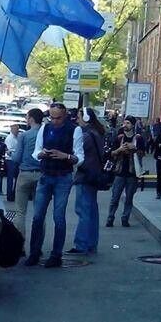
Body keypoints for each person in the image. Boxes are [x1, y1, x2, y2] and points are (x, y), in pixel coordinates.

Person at [25, 102, 84, 268]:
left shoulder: (74, 130)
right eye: (52, 117)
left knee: (58, 217)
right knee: (37, 216)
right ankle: (34, 252)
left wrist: (66, 156)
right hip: (46, 174)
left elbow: (79, 157)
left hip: (63, 177)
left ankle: (56, 255)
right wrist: (42, 154)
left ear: (64, 116)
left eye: (58, 118)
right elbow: (36, 151)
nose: (55, 121)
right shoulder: (45, 128)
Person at [70, 107, 106, 254]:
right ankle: (91, 243)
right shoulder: (97, 133)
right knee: (91, 211)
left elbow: (76, 153)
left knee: (83, 211)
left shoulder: (86, 135)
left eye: (79, 117)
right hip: (94, 175)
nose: (77, 120)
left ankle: (81, 244)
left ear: (85, 118)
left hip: (85, 176)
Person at [106, 115, 145, 228]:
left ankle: (125, 218)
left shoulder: (138, 138)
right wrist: (119, 150)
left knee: (129, 198)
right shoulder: (119, 138)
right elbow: (111, 153)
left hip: (132, 173)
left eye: (128, 123)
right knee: (115, 198)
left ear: (133, 125)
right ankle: (110, 218)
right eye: (124, 123)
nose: (125, 125)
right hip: (119, 172)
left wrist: (135, 149)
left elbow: (143, 154)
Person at [11, 108, 43, 244]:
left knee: (20, 212)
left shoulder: (24, 136)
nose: (26, 119)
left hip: (25, 173)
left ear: (31, 119)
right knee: (39, 212)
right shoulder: (45, 134)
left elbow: (17, 157)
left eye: (26, 117)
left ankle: (20, 245)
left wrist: (11, 154)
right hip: (41, 174)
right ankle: (37, 246)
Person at [4, 124, 20, 202]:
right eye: (16, 129)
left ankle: (14, 194)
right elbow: (9, 150)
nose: (17, 131)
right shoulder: (9, 138)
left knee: (16, 178)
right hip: (10, 159)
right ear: (12, 130)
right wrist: (16, 152)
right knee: (10, 178)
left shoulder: (18, 137)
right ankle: (9, 195)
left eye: (18, 129)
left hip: (16, 159)